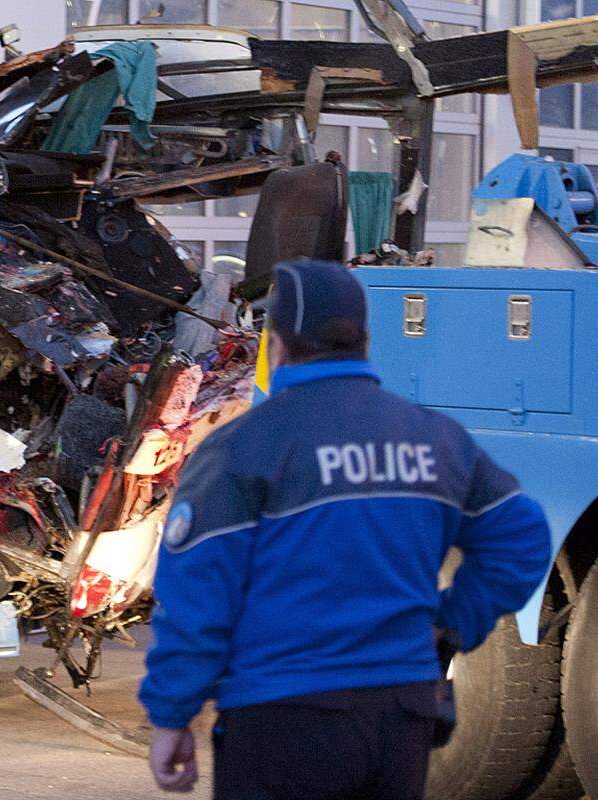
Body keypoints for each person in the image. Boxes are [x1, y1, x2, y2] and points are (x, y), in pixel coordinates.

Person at [139, 259, 552, 800]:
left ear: (277, 344)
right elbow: (523, 539)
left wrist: (173, 716)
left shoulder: (242, 448)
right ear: (364, 340)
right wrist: (451, 626)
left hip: (282, 720)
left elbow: (197, 599)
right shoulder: (435, 438)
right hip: (401, 718)